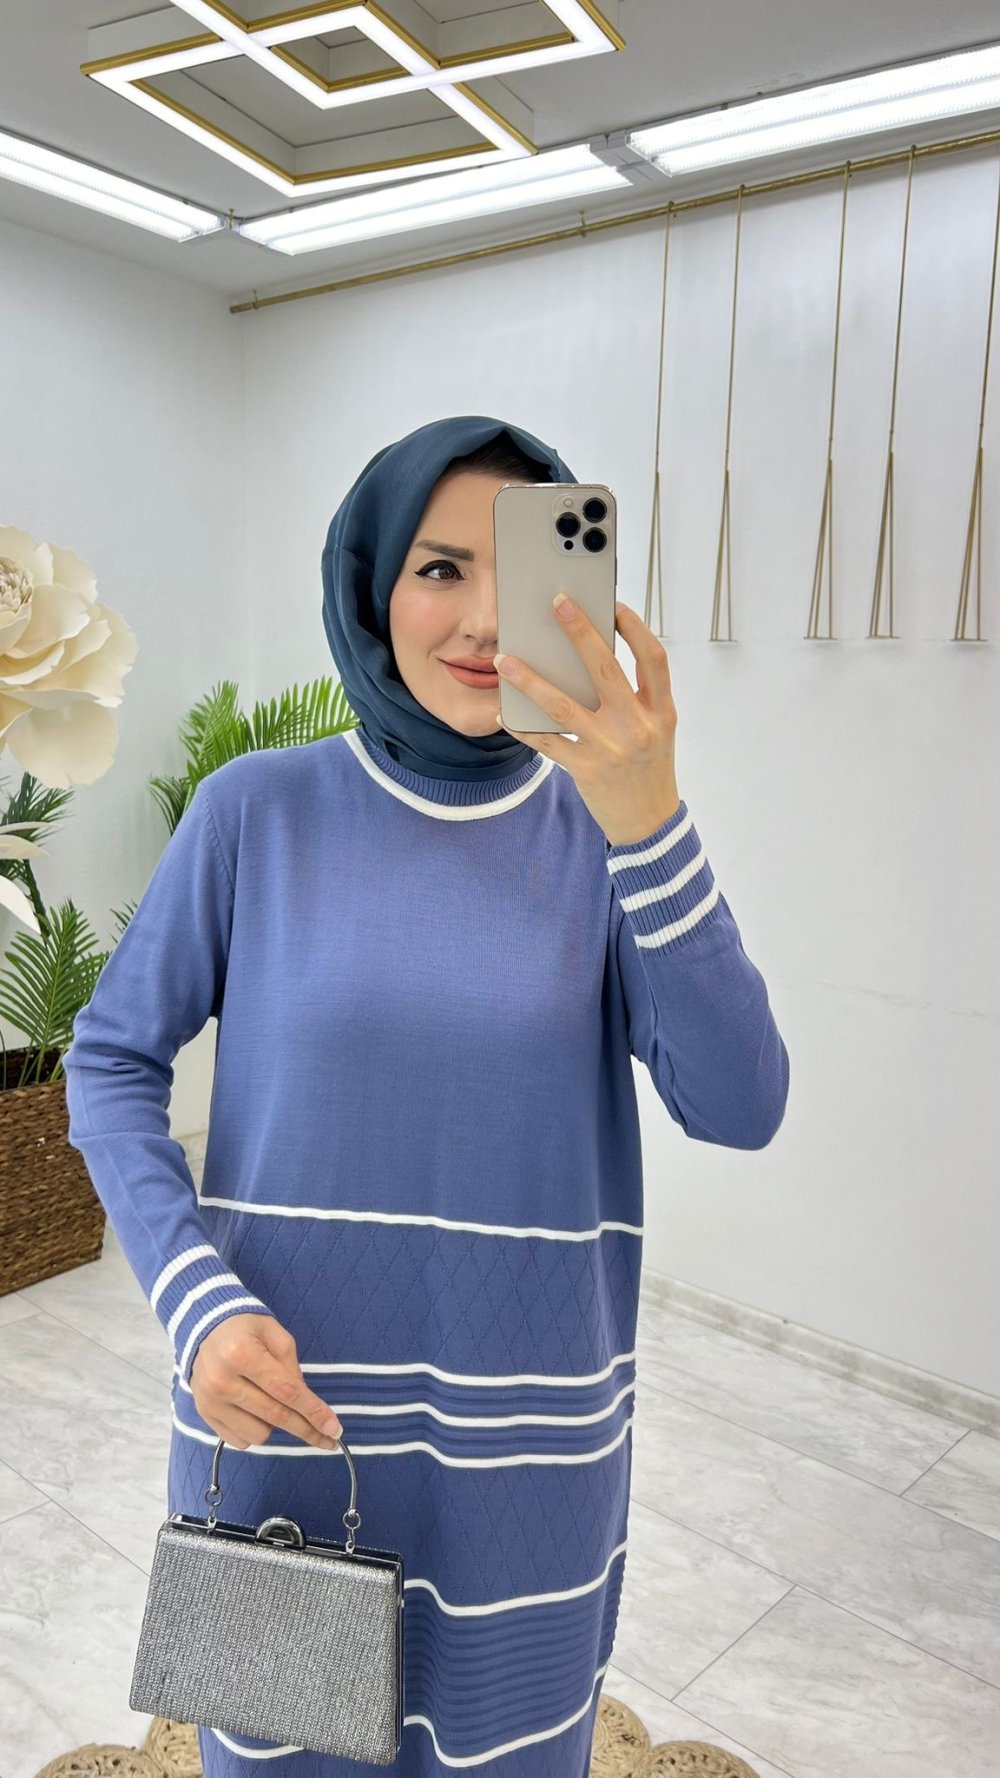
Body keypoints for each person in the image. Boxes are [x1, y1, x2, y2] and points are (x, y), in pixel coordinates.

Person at [63, 413, 790, 1778]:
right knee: (282, 1753)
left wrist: (650, 816)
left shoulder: (608, 840)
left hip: (531, 1464)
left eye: (522, 573)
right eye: (440, 567)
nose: (483, 621)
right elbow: (109, 1060)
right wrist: (192, 1297)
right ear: (372, 582)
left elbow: (741, 1103)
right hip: (286, 1422)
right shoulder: (254, 812)